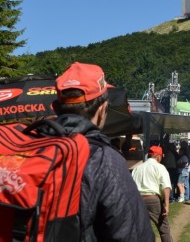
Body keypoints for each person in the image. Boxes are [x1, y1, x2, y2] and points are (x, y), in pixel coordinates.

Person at [51, 62, 153, 240]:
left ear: (55, 108)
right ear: (102, 109)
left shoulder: (34, 148)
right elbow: (133, 234)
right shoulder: (104, 159)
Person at [131, 145, 173, 242]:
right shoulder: (160, 167)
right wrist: (166, 204)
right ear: (158, 156)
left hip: (138, 200)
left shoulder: (138, 168)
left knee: (139, 229)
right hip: (153, 200)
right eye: (161, 156)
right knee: (164, 229)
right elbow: (166, 186)